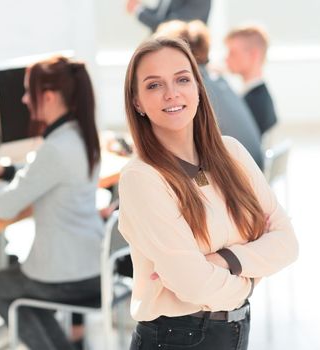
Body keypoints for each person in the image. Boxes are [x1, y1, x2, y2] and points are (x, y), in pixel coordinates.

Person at [120, 37, 298, 349]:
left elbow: (287, 243)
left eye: (182, 79)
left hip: (235, 329)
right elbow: (193, 285)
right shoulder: (142, 177)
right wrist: (251, 276)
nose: (172, 93)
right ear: (137, 102)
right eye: (153, 85)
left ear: (199, 88)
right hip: (174, 338)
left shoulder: (232, 153)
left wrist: (224, 259)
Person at [0, 56, 103, 350]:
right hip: (95, 265)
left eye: (27, 92)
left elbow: (3, 207)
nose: (23, 99)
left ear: (47, 97)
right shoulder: (82, 135)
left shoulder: (55, 149)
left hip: (68, 277)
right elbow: (46, 175)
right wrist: (8, 172)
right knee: (24, 288)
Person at [154, 20, 264, 168]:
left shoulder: (194, 89)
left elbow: (182, 151)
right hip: (253, 169)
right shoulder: (218, 80)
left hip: (237, 179)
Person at [225, 25, 278, 136]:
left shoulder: (255, 103)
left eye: (232, 53)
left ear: (254, 55)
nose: (226, 58)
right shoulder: (258, 96)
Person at [126, 0, 211, 33]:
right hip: (164, 49)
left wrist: (138, 10)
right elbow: (160, 15)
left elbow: (171, 26)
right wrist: (140, 7)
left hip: (187, 54)